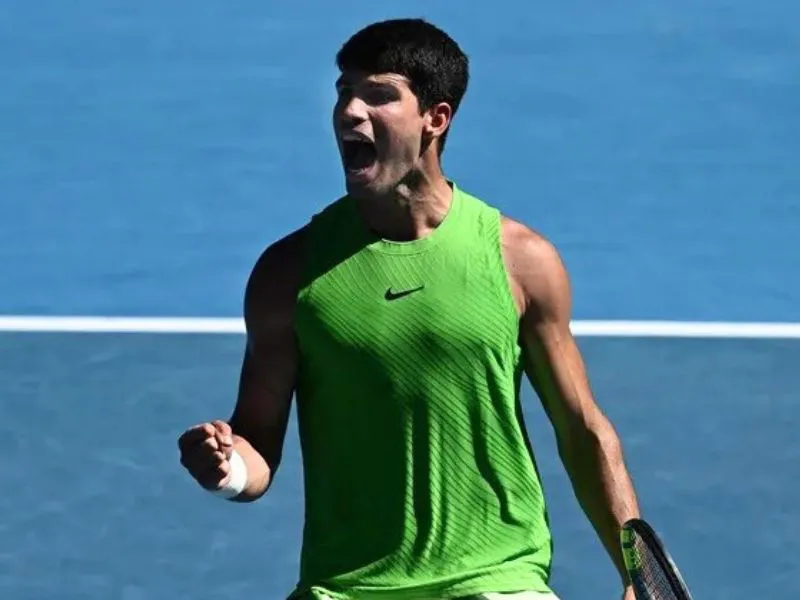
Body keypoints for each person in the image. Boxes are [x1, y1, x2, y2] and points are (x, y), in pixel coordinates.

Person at [178, 18, 640, 600]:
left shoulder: (521, 261)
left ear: (435, 119)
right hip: (344, 588)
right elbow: (256, 443)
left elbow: (581, 428)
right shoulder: (287, 273)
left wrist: (636, 569)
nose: (350, 111)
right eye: (344, 91)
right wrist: (228, 471)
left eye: (378, 95)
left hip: (496, 581)